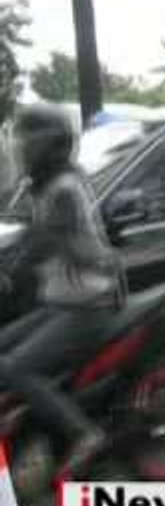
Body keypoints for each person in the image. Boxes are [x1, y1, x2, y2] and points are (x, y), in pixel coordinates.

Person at [0, 104, 120, 474]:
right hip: (60, 301)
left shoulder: (63, 190)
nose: (21, 151)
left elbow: (43, 242)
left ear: (47, 147)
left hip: (87, 304)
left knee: (15, 368)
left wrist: (9, 274)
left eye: (27, 144)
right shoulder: (47, 184)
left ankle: (83, 433)